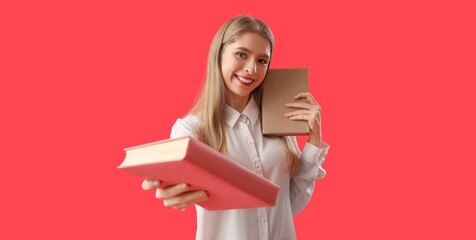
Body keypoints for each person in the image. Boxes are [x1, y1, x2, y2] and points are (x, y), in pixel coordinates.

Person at [142, 15, 330, 240]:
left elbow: (291, 205)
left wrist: (314, 143)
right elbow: (175, 188)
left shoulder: (279, 124)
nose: (252, 69)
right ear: (219, 55)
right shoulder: (191, 130)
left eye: (262, 60)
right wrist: (170, 188)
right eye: (241, 54)